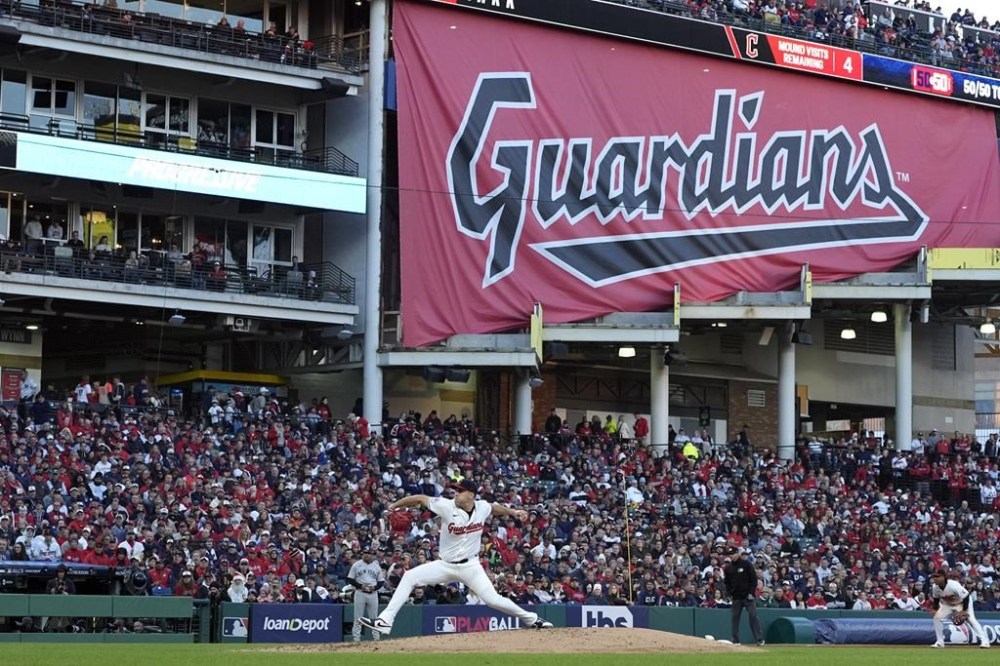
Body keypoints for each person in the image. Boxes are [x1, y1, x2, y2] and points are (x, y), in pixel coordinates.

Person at [359, 480, 553, 635]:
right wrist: (392, 506)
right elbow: (419, 498)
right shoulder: (445, 506)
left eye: (460, 491)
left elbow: (494, 507)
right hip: (445, 565)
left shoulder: (482, 507)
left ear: (471, 494)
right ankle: (385, 621)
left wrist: (513, 512)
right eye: (456, 491)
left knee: (492, 600)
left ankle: (532, 619)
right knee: (410, 577)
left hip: (470, 566)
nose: (456, 494)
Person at [929, 569, 990, 649]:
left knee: (971, 620)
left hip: (962, 602)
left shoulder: (953, 585)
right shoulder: (935, 587)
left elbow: (966, 596)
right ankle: (940, 642)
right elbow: (936, 599)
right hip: (948, 604)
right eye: (934, 577)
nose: (935, 578)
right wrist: (934, 609)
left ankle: (985, 641)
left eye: (937, 576)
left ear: (943, 577)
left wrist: (964, 611)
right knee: (937, 618)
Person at [722, 546, 764, 646]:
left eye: (732, 554)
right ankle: (735, 640)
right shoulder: (728, 568)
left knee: (753, 616)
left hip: (747, 596)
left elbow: (753, 580)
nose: (731, 556)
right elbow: (727, 583)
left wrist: (751, 593)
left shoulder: (746, 564)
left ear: (737, 553)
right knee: (735, 619)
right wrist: (728, 594)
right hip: (736, 597)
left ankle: (759, 639)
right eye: (730, 554)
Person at [347, 543, 385, 642]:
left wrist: (375, 587)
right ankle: (356, 639)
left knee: (374, 618)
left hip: (373, 593)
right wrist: (360, 586)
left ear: (373, 555)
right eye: (365, 553)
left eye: (369, 553)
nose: (367, 555)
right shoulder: (356, 565)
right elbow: (350, 579)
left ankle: (376, 638)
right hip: (360, 592)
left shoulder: (376, 567)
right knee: (358, 618)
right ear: (363, 554)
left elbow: (381, 581)